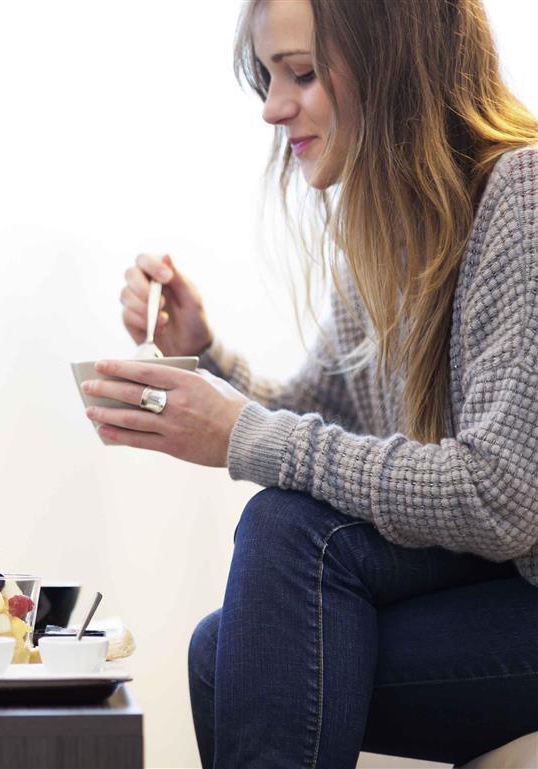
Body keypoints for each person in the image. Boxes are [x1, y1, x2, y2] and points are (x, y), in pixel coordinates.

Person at [80, 0, 538, 766]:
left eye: (301, 73)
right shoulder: (386, 232)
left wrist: (240, 433)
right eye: (267, 77)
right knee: (223, 648)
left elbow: (502, 498)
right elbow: (327, 417)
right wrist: (204, 356)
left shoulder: (523, 195)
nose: (271, 107)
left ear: (396, 64)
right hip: (497, 578)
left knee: (283, 547)